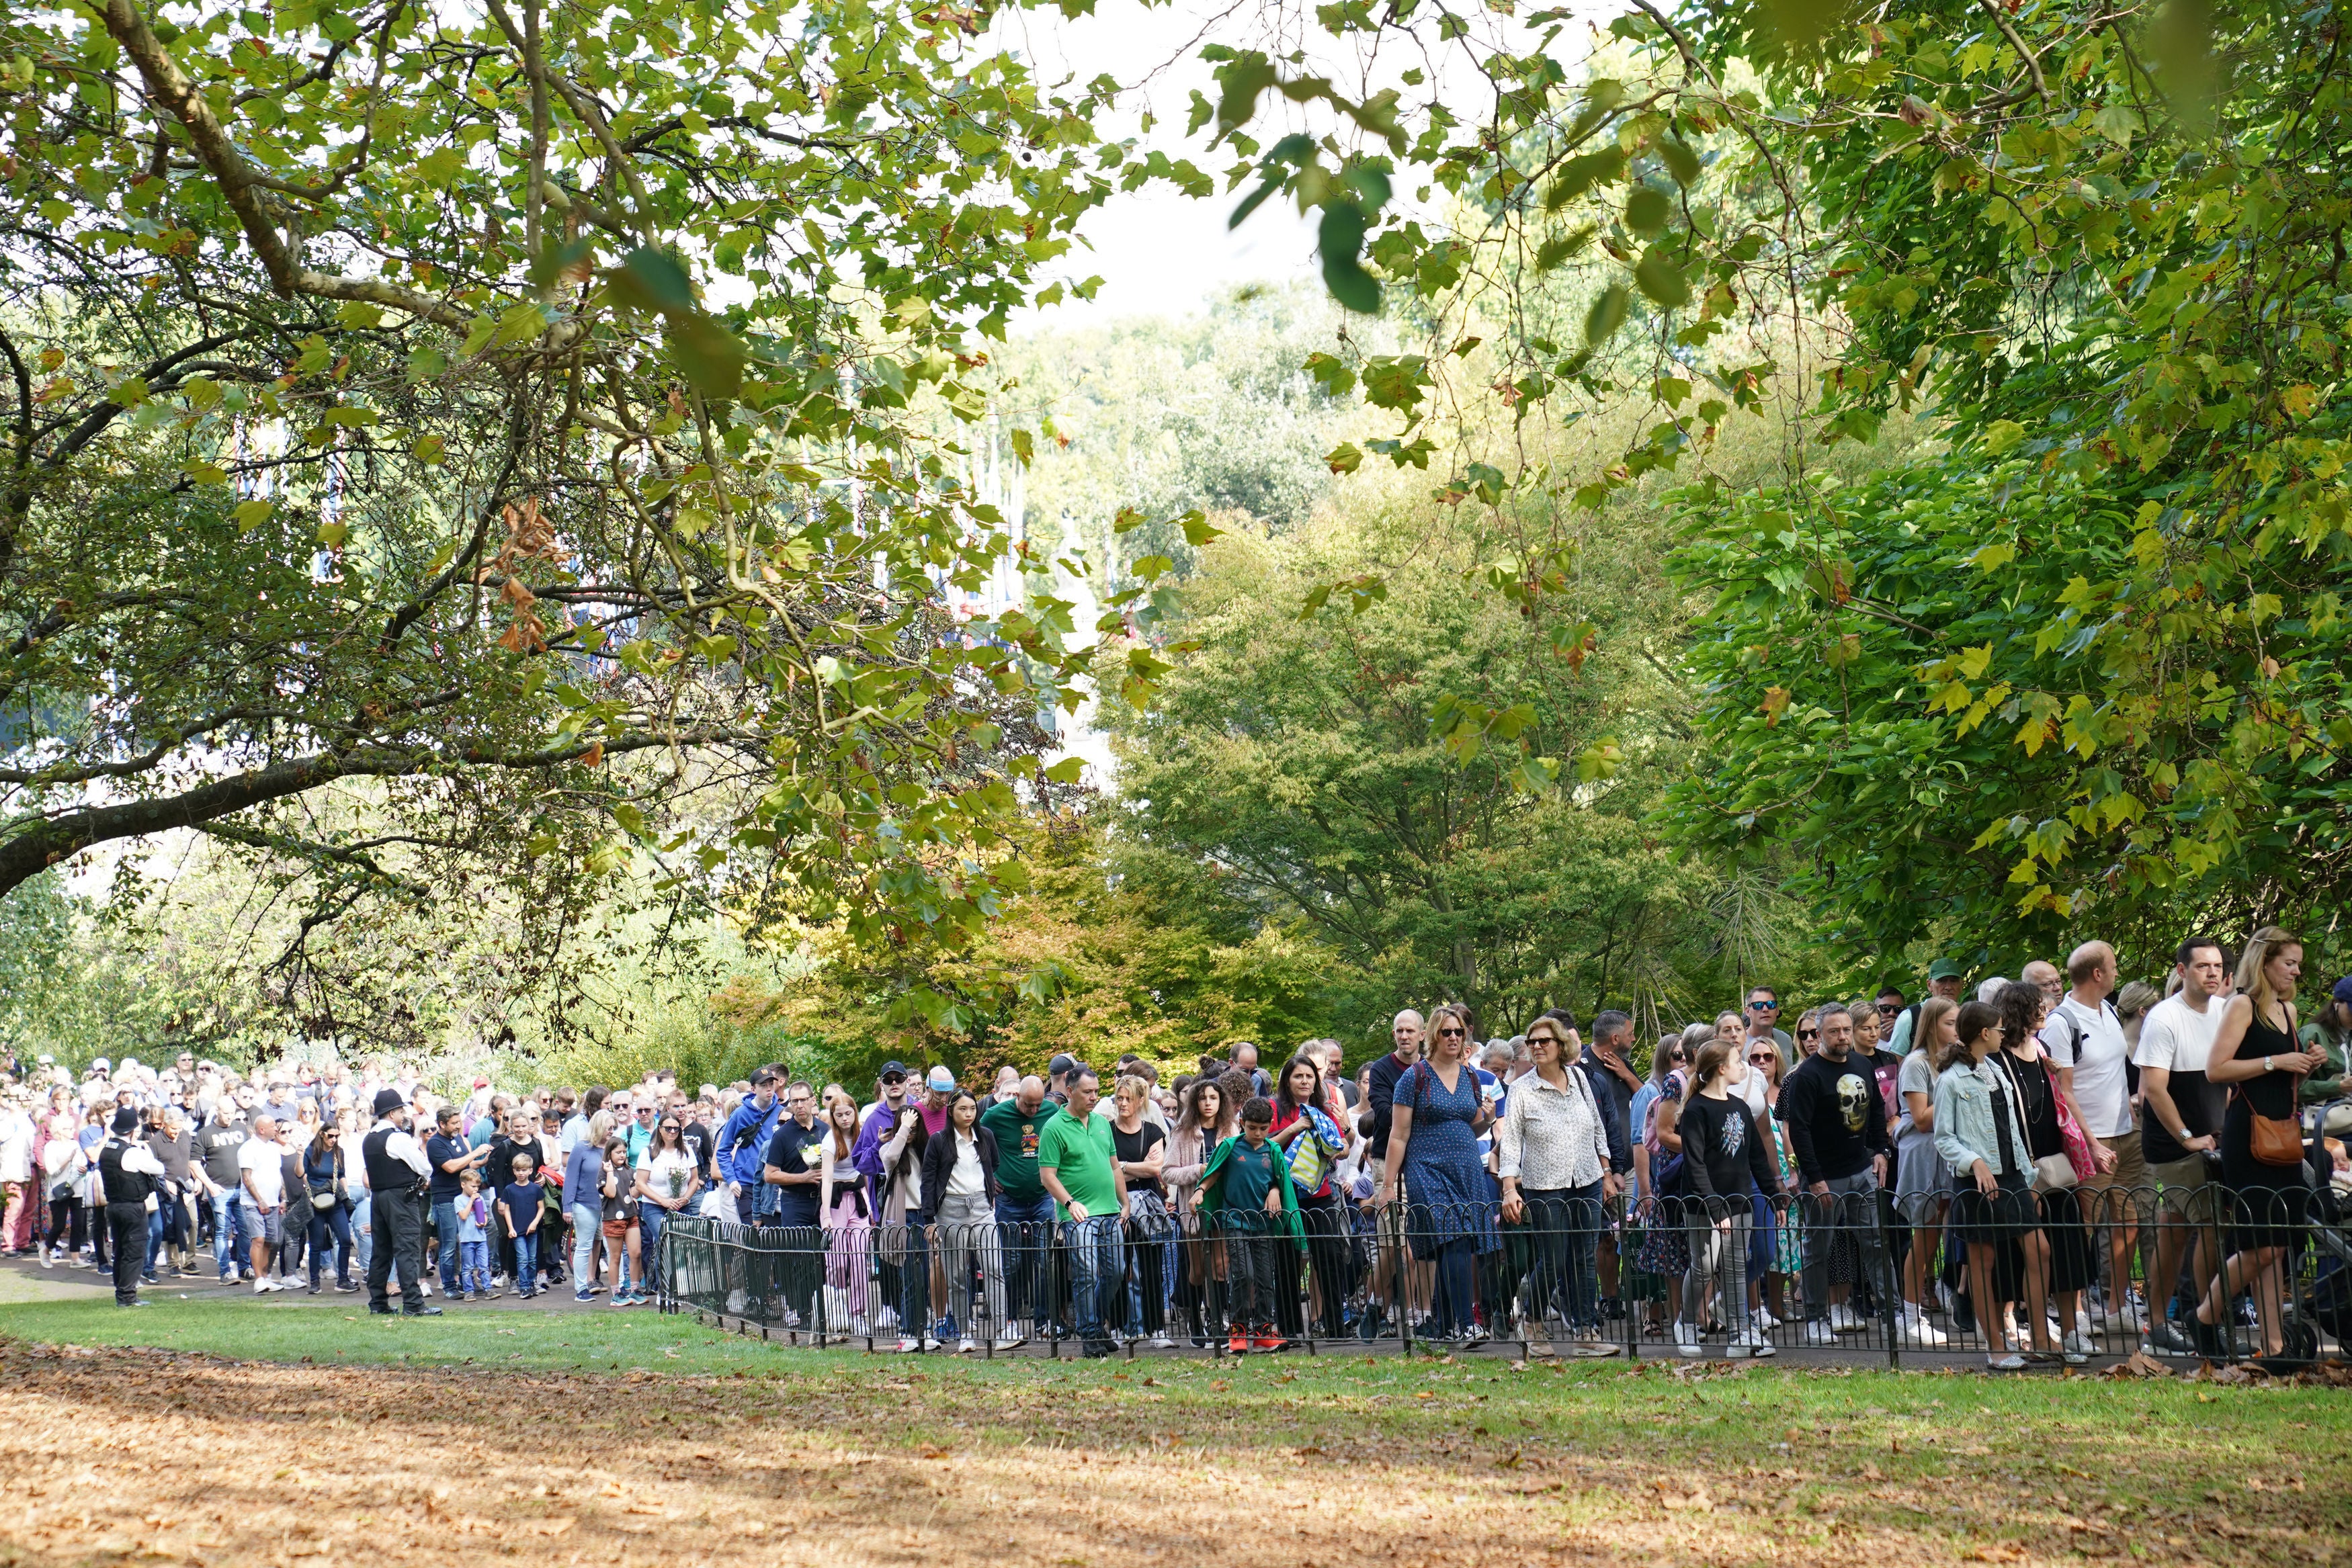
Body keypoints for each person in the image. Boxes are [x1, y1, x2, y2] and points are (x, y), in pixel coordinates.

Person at [2191, 926, 2325, 1363]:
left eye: (2298, 964)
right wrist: (2276, 1060)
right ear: (2266, 962)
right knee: (2259, 1245)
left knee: (2278, 1245)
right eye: (2289, 962)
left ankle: (2275, 1346)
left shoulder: (2287, 1010)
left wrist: (2303, 1066)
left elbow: (2281, 1081)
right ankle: (2206, 1316)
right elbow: (2216, 1070)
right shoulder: (2241, 1006)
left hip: (2283, 1134)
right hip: (2248, 1137)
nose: (2296, 971)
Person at [1933, 1000, 2049, 1370]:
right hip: (1976, 1182)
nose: (2003, 1035)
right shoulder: (1951, 1079)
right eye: (1999, 1030)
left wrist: (2027, 1177)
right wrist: (1975, 1162)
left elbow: (2011, 1129)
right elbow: (1944, 1138)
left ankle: (2043, 1340)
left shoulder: (1995, 1070)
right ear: (1985, 1033)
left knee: (2039, 1250)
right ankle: (1996, 1346)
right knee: (1982, 1261)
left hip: (2012, 1175)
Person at [1495, 1013, 1617, 1357]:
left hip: (1588, 1180)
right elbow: (1512, 1143)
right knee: (1554, 1259)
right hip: (1545, 1185)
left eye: (1544, 1041)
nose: (1536, 1046)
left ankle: (1585, 1331)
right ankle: (1531, 1317)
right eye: (1532, 1042)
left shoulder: (1579, 1079)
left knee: (1584, 1258)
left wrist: (1606, 1173)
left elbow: (1597, 1128)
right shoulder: (1521, 1089)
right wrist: (1509, 1189)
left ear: (1560, 1045)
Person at [1377, 1002, 1497, 1345]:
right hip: (1426, 1168)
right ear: (1433, 1035)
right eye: (1447, 1031)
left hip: (1466, 1167)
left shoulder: (1471, 1075)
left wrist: (1487, 1119)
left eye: (1460, 1032)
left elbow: (1469, 1128)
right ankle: (1464, 1322)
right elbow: (1398, 1136)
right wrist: (1388, 1185)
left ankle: (1443, 1324)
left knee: (1454, 1245)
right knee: (1453, 1238)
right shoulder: (1414, 1077)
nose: (1454, 1037)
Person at [1775, 1002, 1894, 1344]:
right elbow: (1799, 1131)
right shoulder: (1807, 1076)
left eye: (1845, 1030)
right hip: (1826, 1177)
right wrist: (1814, 1178)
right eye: (1833, 1031)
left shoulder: (1860, 1063)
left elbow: (1874, 1111)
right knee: (1817, 1249)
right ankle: (1815, 1319)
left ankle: (1893, 1314)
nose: (1842, 1037)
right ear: (1819, 1035)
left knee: (1876, 1243)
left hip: (1863, 1171)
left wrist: (1881, 1152)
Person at [2137, 936, 2230, 1355]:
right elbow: (2154, 1090)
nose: (2212, 973)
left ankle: (2158, 1323)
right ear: (2181, 971)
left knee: (2175, 1232)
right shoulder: (2164, 1018)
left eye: (2216, 966)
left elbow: (2223, 1075)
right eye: (2201, 966)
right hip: (2177, 1143)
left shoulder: (2225, 1011)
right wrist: (2188, 1139)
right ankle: (2202, 1319)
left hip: (2213, 1137)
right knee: (2211, 1227)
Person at [1991, 980, 2093, 1364]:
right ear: (2020, 1009)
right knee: (2026, 1257)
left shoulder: (2043, 1048)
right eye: (2039, 1006)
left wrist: (2089, 1141)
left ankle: (2069, 1334)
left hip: (2054, 1161)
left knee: (2067, 1251)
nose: (2045, 1011)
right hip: (2018, 1168)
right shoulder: (1995, 1057)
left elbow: (2059, 1099)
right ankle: (2032, 1334)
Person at [2040, 941, 2138, 1327]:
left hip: (2126, 1134)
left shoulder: (2110, 1010)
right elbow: (2063, 1091)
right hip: (2092, 1139)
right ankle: (2076, 1311)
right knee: (2085, 1225)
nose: (2117, 973)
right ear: (2097, 974)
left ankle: (2117, 1310)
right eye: (2113, 967)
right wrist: (2092, 1143)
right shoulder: (2062, 1022)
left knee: (2128, 1221)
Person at [1674, 1040, 1782, 1357]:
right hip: (1703, 1204)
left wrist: (1775, 1197)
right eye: (1738, 1061)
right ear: (1721, 1068)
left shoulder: (1740, 1107)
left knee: (1736, 1267)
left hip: (1740, 1201)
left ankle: (1740, 1334)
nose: (1743, 1067)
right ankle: (1687, 1322)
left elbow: (1758, 1159)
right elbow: (1695, 1164)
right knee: (1705, 1266)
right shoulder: (1696, 1109)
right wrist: (1714, 1207)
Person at [1198, 1096, 1301, 1352]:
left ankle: (1265, 1330)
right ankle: (1238, 1330)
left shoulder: (1273, 1150)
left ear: (1270, 1126)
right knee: (1244, 1274)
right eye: (1252, 1127)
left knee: (1267, 1277)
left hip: (1264, 1223)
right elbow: (1215, 1172)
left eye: (1263, 1129)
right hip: (1235, 1220)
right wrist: (1200, 1190)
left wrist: (1275, 1189)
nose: (1257, 1133)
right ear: (1242, 1123)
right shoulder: (1231, 1147)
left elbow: (1279, 1177)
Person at [1037, 1066, 1127, 1357]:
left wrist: (1124, 1203)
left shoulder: (1102, 1123)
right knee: (1086, 1273)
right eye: (1088, 1092)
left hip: (1110, 1212)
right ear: (1070, 1091)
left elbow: (1114, 1167)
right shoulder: (1054, 1127)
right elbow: (1048, 1176)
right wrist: (1069, 1203)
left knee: (1116, 1271)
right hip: (1077, 1215)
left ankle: (1095, 1323)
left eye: (1097, 1092)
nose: (1094, 1097)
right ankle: (1090, 1334)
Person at [920, 1088, 1014, 1352]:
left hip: (982, 1208)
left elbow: (993, 1165)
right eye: (963, 1109)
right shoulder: (939, 1141)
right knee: (957, 1275)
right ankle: (964, 1333)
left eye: (972, 1108)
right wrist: (929, 1219)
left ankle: (1002, 1329)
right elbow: (928, 1181)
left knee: (994, 1269)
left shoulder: (985, 1137)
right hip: (950, 1209)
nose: (969, 1114)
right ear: (951, 1111)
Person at [1892, 996, 1958, 1347]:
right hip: (1923, 1152)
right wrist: (1957, 1095)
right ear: (1932, 1025)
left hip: (1949, 1151)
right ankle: (1910, 1313)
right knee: (1925, 1235)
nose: (1957, 1030)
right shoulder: (1917, 1063)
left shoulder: (1952, 1060)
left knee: (1942, 1235)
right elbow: (1919, 1118)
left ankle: (1954, 1300)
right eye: (1950, 1023)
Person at [978, 1076, 1059, 1344]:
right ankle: (1008, 1320)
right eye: (1028, 1105)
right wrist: (990, 1176)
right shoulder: (994, 1116)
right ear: (1018, 1098)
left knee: (1046, 1260)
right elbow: (976, 1144)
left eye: (1037, 1105)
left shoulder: (1051, 1110)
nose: (1034, 1111)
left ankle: (1046, 1319)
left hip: (1042, 1197)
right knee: (1009, 1263)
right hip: (1009, 1199)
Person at [1110, 1074, 1178, 1349]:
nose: (1123, 1103)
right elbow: (1105, 1172)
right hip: (1116, 1205)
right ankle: (1117, 1326)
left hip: (1149, 1205)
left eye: (1128, 1098)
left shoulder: (1152, 1131)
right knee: (1118, 1267)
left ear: (1141, 1100)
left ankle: (1156, 1329)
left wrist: (1121, 1167)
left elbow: (1156, 1169)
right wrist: (1130, 1167)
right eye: (1119, 1098)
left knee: (1151, 1267)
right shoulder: (1106, 1131)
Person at [361, 1088, 438, 1315]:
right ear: (393, 1112)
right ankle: (414, 1305)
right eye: (401, 1110)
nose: (403, 1114)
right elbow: (424, 1166)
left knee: (381, 1251)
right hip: (400, 1198)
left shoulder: (369, 1138)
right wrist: (422, 1179)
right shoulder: (396, 1137)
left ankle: (378, 1303)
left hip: (378, 1197)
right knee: (407, 1249)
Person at [761, 1081, 828, 1332]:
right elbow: (769, 1175)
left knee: (821, 1259)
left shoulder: (825, 1130)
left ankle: (822, 1309)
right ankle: (801, 1311)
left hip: (822, 1202)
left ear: (813, 1100)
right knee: (799, 1258)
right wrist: (803, 1178)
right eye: (794, 1101)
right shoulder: (783, 1135)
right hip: (794, 1202)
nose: (799, 1105)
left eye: (803, 1100)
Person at [816, 1096, 875, 1340]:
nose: (844, 1119)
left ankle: (857, 1314)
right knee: (838, 1262)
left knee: (860, 1259)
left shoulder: (863, 1134)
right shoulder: (830, 1140)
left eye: (848, 1113)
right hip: (837, 1200)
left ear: (854, 1112)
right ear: (833, 1116)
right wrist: (826, 1213)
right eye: (839, 1115)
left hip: (859, 1198)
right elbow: (827, 1179)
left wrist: (872, 1208)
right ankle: (836, 1315)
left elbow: (870, 1170)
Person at [97, 1106, 165, 1307]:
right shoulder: (133, 1153)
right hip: (132, 1208)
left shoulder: (106, 1151)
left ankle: (122, 1293)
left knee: (120, 1250)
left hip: (113, 1206)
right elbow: (159, 1169)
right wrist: (144, 1149)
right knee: (134, 1252)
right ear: (133, 1130)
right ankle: (127, 1296)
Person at [634, 1112, 700, 1299]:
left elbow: (694, 1179)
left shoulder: (686, 1151)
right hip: (655, 1206)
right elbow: (641, 1184)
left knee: (680, 1244)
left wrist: (686, 1198)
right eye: (668, 1128)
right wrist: (663, 1201)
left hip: (681, 1205)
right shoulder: (650, 1152)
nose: (672, 1132)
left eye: (676, 1129)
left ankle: (678, 1286)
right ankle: (664, 1288)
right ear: (660, 1129)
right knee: (665, 1240)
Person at [425, 1106, 489, 1300]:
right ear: (442, 1124)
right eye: (453, 1123)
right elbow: (452, 1167)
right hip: (446, 1199)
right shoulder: (435, 1143)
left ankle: (466, 1281)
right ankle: (449, 1284)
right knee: (449, 1243)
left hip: (465, 1197)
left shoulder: (459, 1138)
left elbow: (466, 1164)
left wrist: (483, 1160)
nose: (458, 1126)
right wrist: (476, 1151)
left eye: (459, 1122)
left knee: (467, 1242)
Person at [302, 1122, 357, 1294]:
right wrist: (309, 1189)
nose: (334, 1139)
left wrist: (345, 1192)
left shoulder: (338, 1153)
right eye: (330, 1136)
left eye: (337, 1136)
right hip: (315, 1201)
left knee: (345, 1239)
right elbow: (301, 1174)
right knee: (316, 1243)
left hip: (334, 1201)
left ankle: (342, 1280)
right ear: (322, 1134)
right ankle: (315, 1283)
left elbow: (341, 1175)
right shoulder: (310, 1151)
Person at [238, 1115, 289, 1293]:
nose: (276, 1129)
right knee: (258, 1239)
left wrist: (283, 1197)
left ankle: (266, 1277)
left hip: (274, 1202)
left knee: (270, 1241)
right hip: (253, 1203)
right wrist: (260, 1200)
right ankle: (258, 1278)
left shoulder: (274, 1149)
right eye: (273, 1126)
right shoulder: (248, 1148)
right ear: (262, 1129)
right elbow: (246, 1177)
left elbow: (278, 1175)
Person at [564, 1115, 610, 1303]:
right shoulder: (581, 1148)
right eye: (608, 1127)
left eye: (613, 1127)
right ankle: (581, 1288)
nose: (611, 1131)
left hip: (608, 1205)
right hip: (584, 1203)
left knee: (609, 1245)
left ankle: (619, 1286)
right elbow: (571, 1178)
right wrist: (567, 1207)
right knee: (584, 1245)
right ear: (598, 1127)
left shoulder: (612, 1148)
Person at [597, 1137, 644, 1307]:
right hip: (612, 1218)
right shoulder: (603, 1172)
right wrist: (609, 1172)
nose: (622, 1155)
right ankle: (616, 1293)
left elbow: (635, 1193)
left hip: (631, 1216)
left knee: (636, 1253)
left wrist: (640, 1180)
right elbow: (610, 1192)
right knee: (615, 1257)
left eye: (624, 1152)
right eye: (618, 1152)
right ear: (609, 1153)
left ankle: (634, 1289)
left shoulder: (629, 1171)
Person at [1888, 959, 1968, 1055]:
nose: (1948, 987)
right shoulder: (1910, 1017)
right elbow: (1896, 1062)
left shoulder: (1967, 1016)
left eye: (1954, 981)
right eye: (1941, 981)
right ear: (1929, 985)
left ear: (1961, 985)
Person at [2298, 976, 2352, 1106]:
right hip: (2322, 1120)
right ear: (2336, 1004)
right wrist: (2339, 1087)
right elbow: (2293, 1088)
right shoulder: (2313, 1034)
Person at [499, 1149, 546, 1297]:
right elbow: (506, 1210)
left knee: (532, 1259)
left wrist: (534, 1223)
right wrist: (511, 1228)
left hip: (532, 1230)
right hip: (517, 1231)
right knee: (523, 1258)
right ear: (514, 1171)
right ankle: (524, 1286)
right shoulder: (509, 1189)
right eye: (518, 1170)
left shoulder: (535, 1189)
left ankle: (531, 1283)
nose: (521, 1173)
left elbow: (541, 1208)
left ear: (530, 1170)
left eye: (524, 1170)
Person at [454, 1169, 493, 1300]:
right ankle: (469, 1291)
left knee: (484, 1266)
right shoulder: (459, 1200)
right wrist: (471, 1201)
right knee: (468, 1267)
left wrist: (483, 1223)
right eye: (473, 1186)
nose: (476, 1189)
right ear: (463, 1185)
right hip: (467, 1239)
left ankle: (488, 1289)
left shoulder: (480, 1198)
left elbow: (485, 1215)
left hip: (480, 1238)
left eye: (477, 1186)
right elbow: (464, 1216)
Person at [1744, 986, 1794, 1067]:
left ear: (1777, 1010)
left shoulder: (1786, 1040)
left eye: (1771, 1004)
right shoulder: (1739, 1044)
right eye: (1758, 1005)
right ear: (1748, 1011)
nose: (1765, 1009)